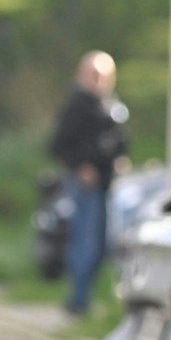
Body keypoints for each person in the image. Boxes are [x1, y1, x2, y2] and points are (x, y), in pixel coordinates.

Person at [49, 50, 129, 315]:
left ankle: (88, 299)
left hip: (108, 183)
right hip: (86, 186)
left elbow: (116, 142)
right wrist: (80, 167)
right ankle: (78, 301)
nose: (98, 80)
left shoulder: (110, 105)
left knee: (103, 245)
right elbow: (59, 145)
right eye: (94, 74)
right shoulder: (76, 106)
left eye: (103, 75)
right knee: (86, 243)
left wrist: (119, 160)